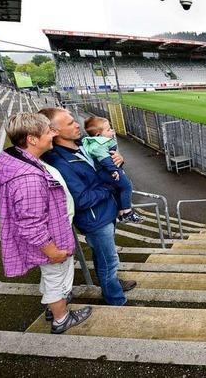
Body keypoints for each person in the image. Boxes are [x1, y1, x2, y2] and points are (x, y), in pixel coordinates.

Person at [0, 113, 92, 334]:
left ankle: (55, 309)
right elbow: (31, 224)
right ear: (32, 139)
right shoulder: (28, 178)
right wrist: (52, 251)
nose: (53, 134)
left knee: (51, 276)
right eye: (48, 131)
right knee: (57, 278)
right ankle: (61, 318)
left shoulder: (20, 161)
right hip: (52, 242)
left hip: (52, 236)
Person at [39, 107, 135, 306]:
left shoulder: (83, 144)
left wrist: (118, 159)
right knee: (109, 260)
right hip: (94, 219)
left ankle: (112, 284)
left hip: (105, 210)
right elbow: (81, 199)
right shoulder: (58, 161)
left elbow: (105, 163)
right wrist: (109, 187)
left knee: (106, 256)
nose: (77, 125)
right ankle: (116, 299)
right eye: (70, 123)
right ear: (54, 131)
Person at [82, 116, 144, 223]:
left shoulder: (96, 143)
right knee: (127, 186)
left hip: (106, 172)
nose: (112, 131)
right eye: (108, 129)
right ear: (98, 135)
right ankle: (128, 213)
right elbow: (105, 159)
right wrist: (114, 170)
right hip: (108, 172)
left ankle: (121, 213)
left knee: (119, 189)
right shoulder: (99, 145)